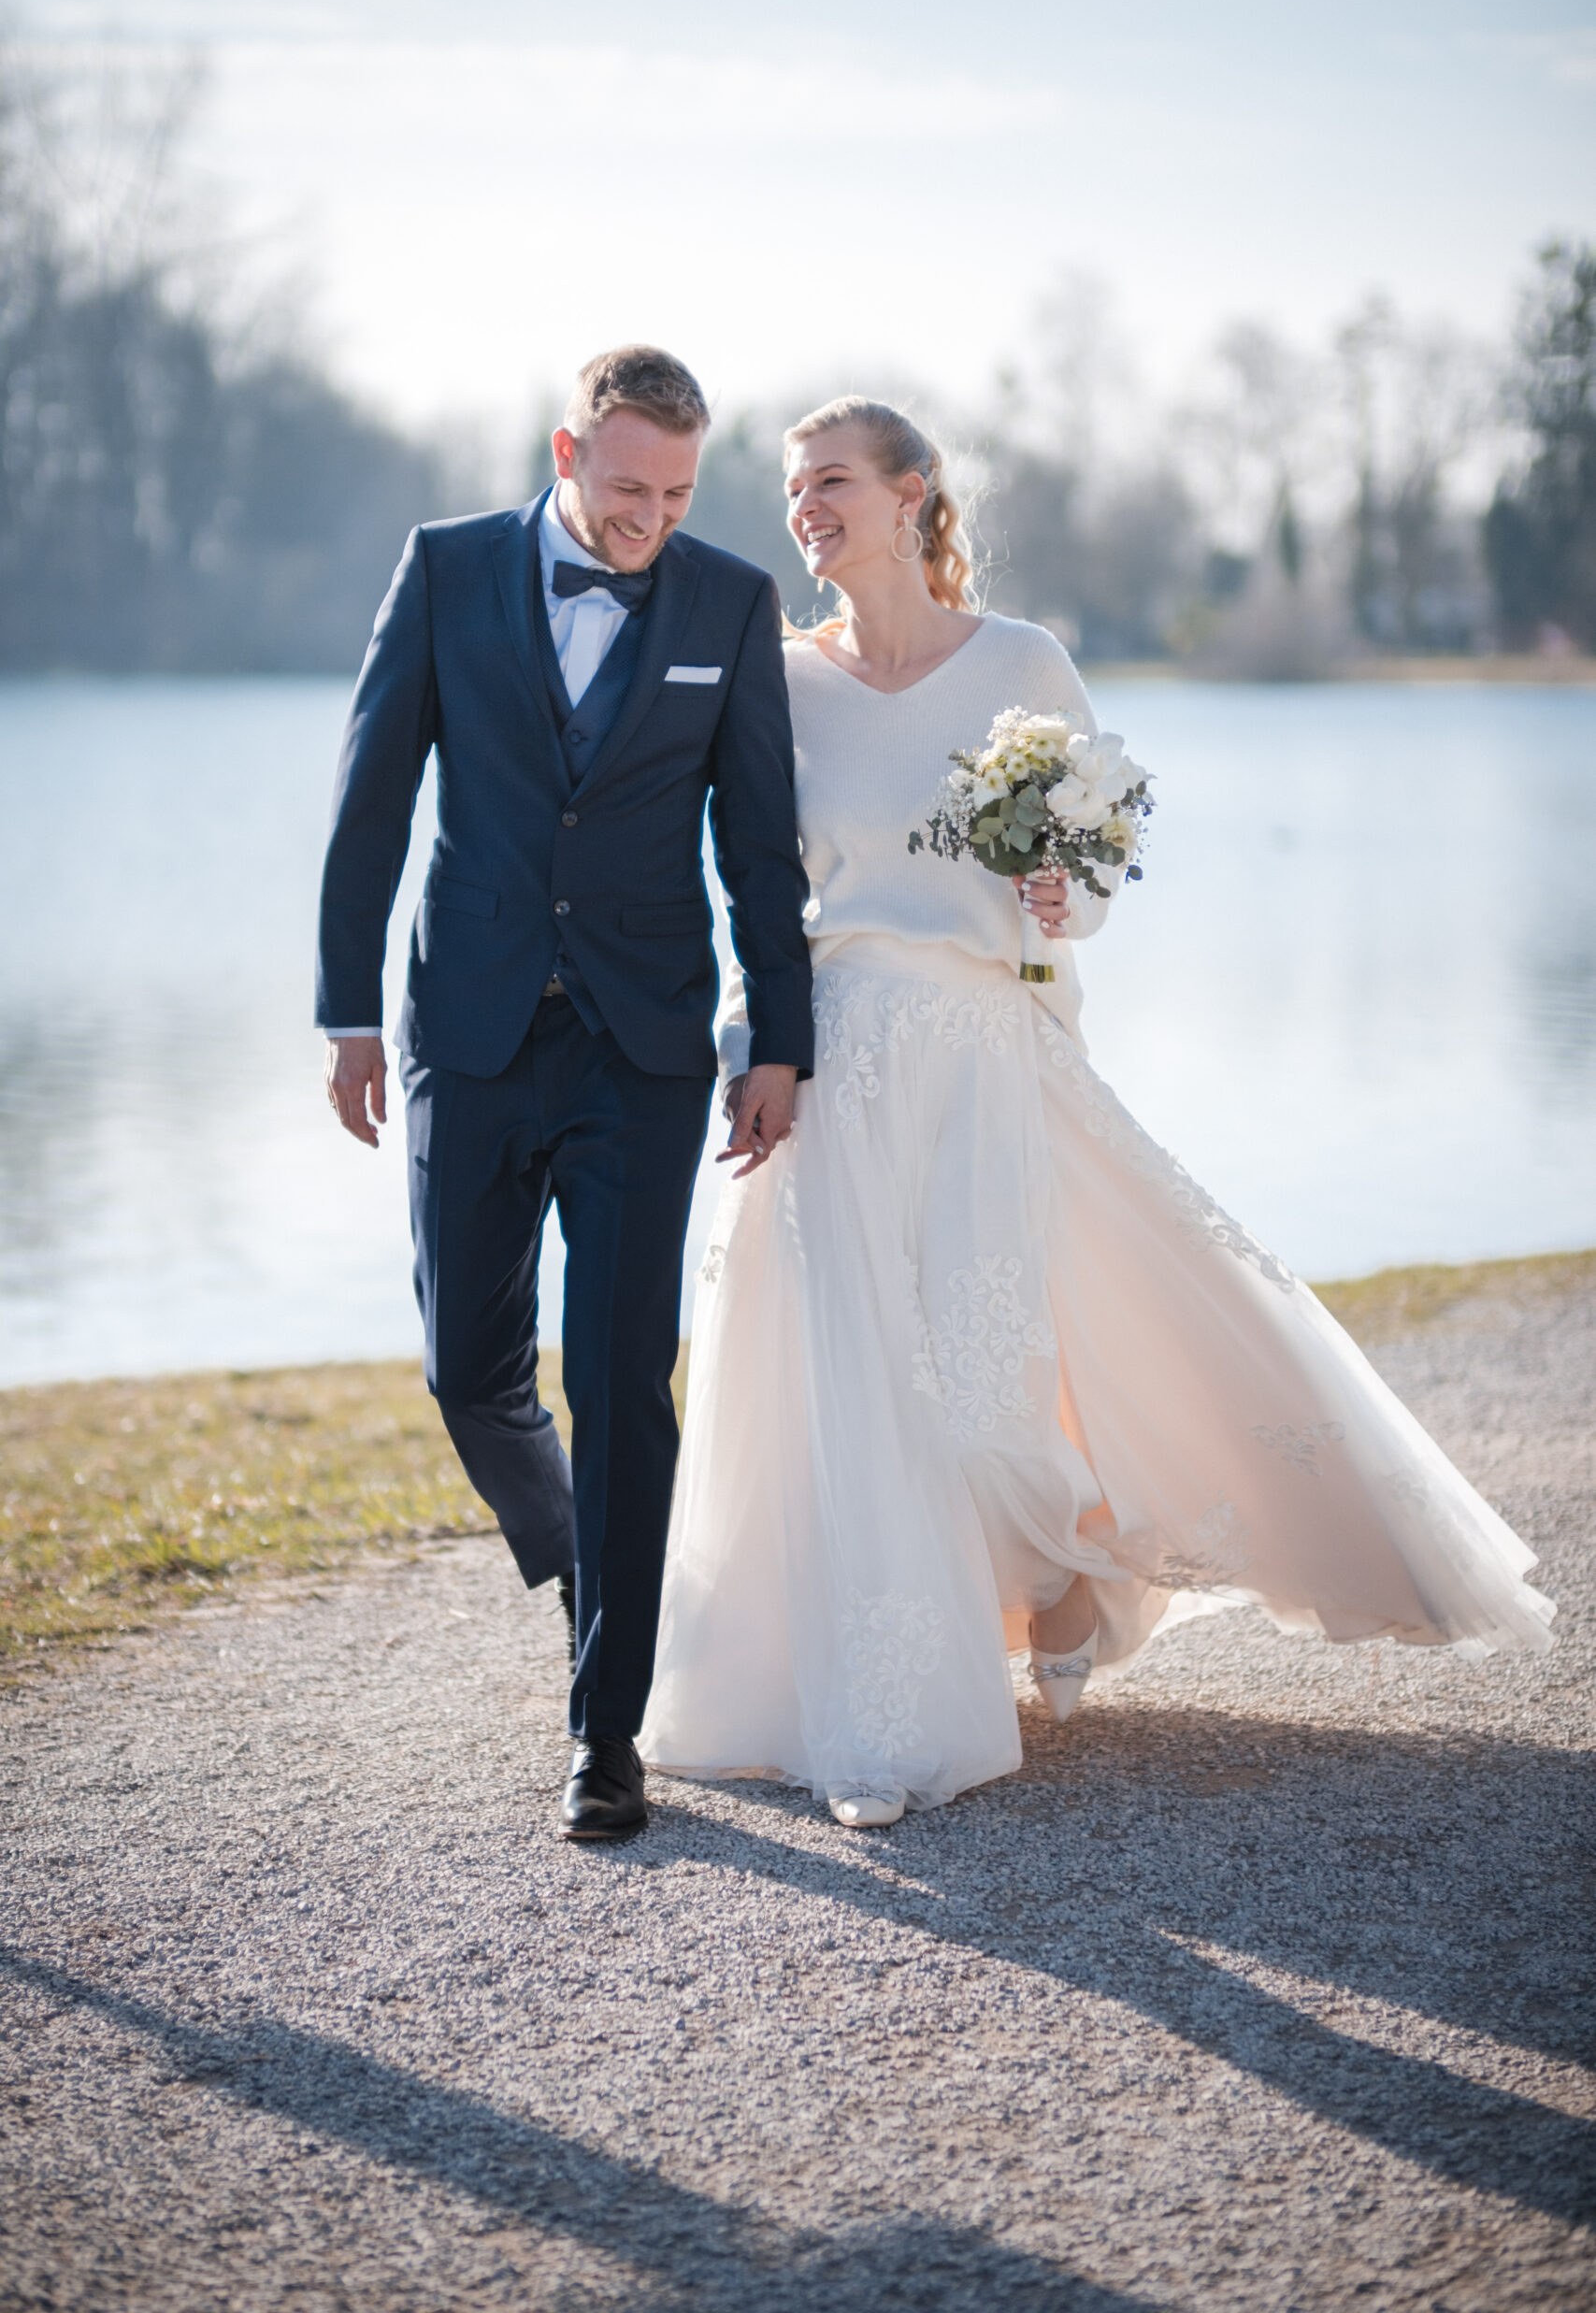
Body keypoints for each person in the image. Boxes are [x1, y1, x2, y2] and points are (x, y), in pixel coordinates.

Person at [640, 395, 1555, 1828]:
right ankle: (880, 1714)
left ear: (911, 493)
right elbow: (753, 886)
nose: (805, 506)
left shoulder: (1022, 665)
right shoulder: (780, 678)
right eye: (792, 488)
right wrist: (750, 1038)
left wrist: (1066, 895)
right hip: (830, 1063)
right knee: (843, 1382)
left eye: (832, 481)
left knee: (987, 1380)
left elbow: (1084, 875)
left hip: (984, 1055)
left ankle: (1070, 1579)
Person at [317, 346, 813, 1844]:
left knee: (619, 1382)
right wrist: (346, 1012)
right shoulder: (448, 569)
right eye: (625, 489)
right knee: (470, 1368)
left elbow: (763, 846)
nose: (649, 520)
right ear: (565, 453)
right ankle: (596, 1581)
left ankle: (610, 1732)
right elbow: (371, 798)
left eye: (675, 492)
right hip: (465, 1032)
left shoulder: (729, 603)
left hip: (644, 1048)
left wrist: (775, 1036)